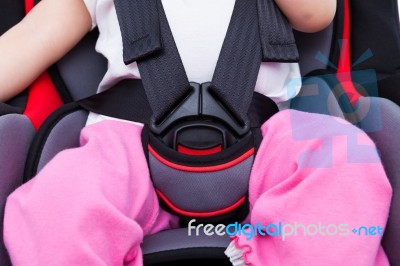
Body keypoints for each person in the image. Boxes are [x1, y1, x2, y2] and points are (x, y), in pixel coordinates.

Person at [0, 0, 392, 265]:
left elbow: (316, 13)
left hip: (266, 141)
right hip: (127, 141)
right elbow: (32, 37)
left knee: (342, 156)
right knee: (57, 205)